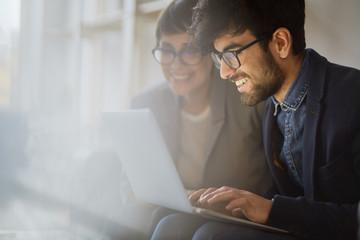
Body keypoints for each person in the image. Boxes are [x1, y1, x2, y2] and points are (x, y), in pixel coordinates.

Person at [151, 0, 360, 239]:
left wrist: (274, 209)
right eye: (219, 57)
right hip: (298, 228)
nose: (224, 72)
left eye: (232, 54)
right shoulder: (272, 105)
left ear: (280, 43)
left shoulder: (352, 99)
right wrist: (237, 205)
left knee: (209, 236)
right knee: (171, 226)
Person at [118, 0, 273, 238]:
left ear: (212, 53)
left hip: (235, 219)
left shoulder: (249, 100)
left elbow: (277, 186)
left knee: (175, 228)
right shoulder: (147, 103)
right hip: (172, 212)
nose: (175, 64)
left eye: (189, 50)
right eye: (167, 50)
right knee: (126, 221)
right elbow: (132, 188)